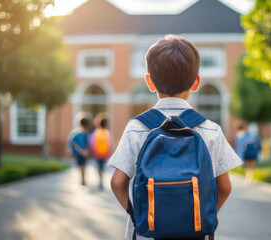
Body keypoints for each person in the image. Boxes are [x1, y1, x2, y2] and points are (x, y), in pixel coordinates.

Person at [109, 35, 242, 240]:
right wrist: (204, 216)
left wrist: (138, 217)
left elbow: (118, 183)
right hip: (196, 233)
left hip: (148, 233)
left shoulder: (136, 128)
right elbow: (225, 187)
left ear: (149, 82)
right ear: (196, 82)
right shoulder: (210, 130)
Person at [90, 117, 111, 189]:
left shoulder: (96, 132)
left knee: (99, 167)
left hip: (97, 153)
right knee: (102, 166)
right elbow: (109, 143)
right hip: (105, 153)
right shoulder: (107, 132)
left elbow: (91, 143)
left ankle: (100, 179)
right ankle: (101, 180)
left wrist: (93, 151)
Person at [71, 117, 91, 186]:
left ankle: (82, 179)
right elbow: (89, 143)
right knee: (83, 166)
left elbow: (74, 143)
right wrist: (84, 151)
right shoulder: (85, 133)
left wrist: (81, 151)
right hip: (82, 153)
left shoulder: (76, 132)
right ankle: (83, 179)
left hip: (80, 153)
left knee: (82, 166)